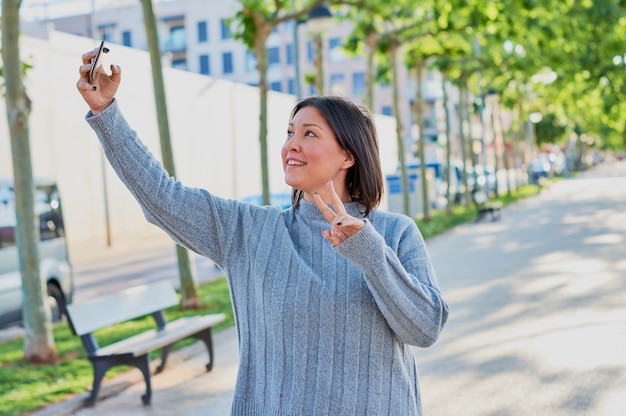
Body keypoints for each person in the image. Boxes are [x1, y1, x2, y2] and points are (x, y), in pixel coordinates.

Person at [77, 47, 448, 416]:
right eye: (289, 132)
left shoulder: (396, 233)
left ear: (348, 156)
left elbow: (425, 329)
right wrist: (106, 113)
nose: (291, 145)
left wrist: (369, 252)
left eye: (310, 133)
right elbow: (161, 196)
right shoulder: (249, 230)